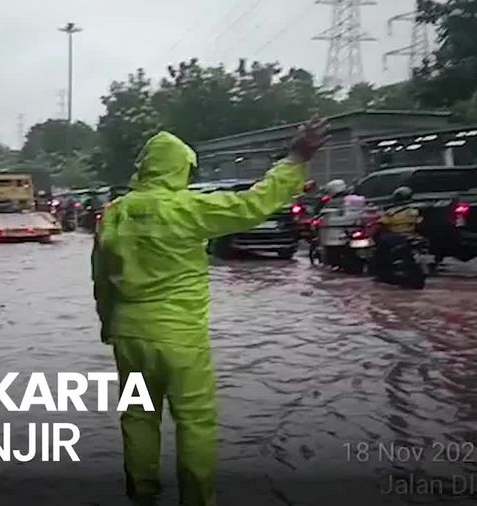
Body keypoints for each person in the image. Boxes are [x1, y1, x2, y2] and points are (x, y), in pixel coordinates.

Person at [91, 118, 328, 506]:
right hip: (180, 337)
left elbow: (100, 277)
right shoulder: (188, 208)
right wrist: (297, 158)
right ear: (180, 168)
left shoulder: (115, 213)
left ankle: (142, 492)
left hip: (128, 334)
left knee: (137, 416)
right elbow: (253, 204)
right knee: (195, 421)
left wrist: (108, 325)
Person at [372, 186, 422, 281]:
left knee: (380, 249)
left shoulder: (392, 212)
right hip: (412, 235)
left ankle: (380, 271)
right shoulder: (415, 210)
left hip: (395, 237)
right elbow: (420, 222)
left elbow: (381, 223)